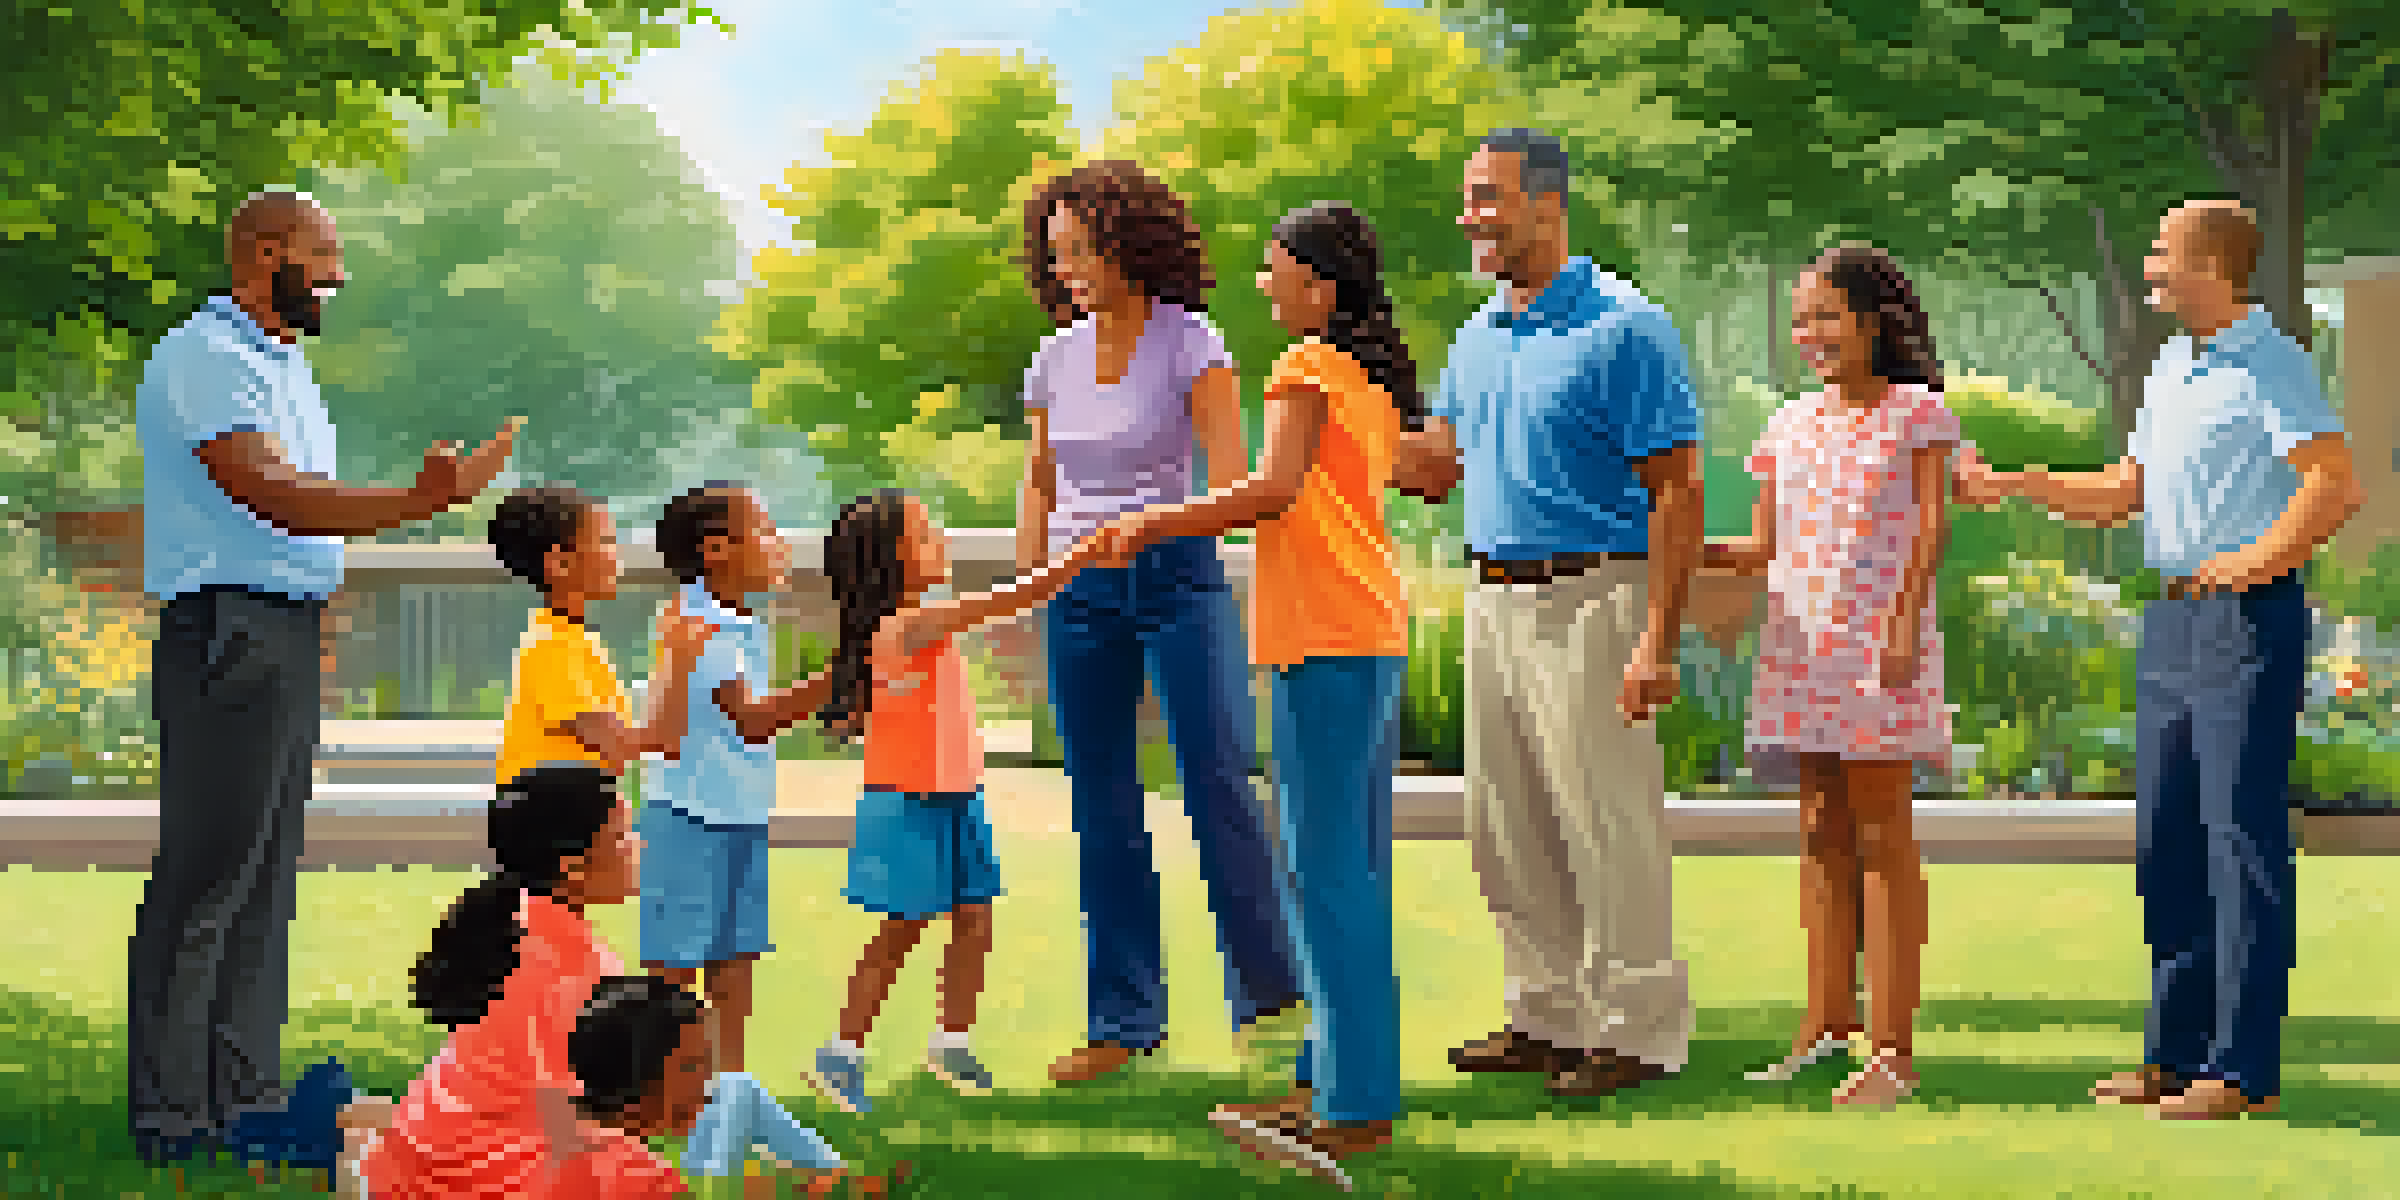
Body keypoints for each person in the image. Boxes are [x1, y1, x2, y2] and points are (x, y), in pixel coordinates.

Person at [128, 186, 521, 1167]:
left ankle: (246, 1102)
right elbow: (269, 490)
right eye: (322, 255)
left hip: (280, 629)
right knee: (208, 878)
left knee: (262, 880)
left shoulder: (280, 364)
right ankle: (175, 1118)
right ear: (266, 254)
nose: (338, 275)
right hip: (231, 629)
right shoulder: (208, 358)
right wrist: (420, 502)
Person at [1955, 199, 2366, 1120]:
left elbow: (2333, 482)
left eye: (2163, 251)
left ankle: (2240, 1069)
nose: (2149, 263)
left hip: (2245, 621)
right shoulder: (2174, 367)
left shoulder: (2271, 363)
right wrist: (2021, 483)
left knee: (2238, 839)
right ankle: (2175, 1056)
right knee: (2168, 840)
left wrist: (2256, 562)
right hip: (2175, 625)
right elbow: (2123, 493)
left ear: (2214, 265)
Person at [1093, 202, 1417, 1189]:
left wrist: (1154, 522)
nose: (1264, 285)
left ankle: (1354, 1108)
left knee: (1324, 873)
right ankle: (1333, 1078)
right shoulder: (1367, 377)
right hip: (1370, 632)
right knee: (1350, 869)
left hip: (1324, 638)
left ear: (1320, 285)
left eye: (1276, 271)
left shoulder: (1308, 367)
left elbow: (1269, 489)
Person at [1398, 128, 1705, 1098]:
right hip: (1495, 600)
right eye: (1467, 197)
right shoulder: (1479, 332)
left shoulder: (1625, 327)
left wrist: (1658, 636)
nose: (1469, 216)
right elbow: (1438, 468)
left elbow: (1680, 491)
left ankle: (1639, 1031)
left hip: (1595, 597)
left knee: (1607, 822)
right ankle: (1546, 1016)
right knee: (1506, 825)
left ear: (1547, 204)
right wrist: (1346, 422)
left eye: (1487, 197)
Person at [1016, 161, 1304, 1084]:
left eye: (1079, 251)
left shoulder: (1191, 343)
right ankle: (1123, 1022)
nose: (1066, 270)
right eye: (1055, 255)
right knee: (1101, 805)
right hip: (1079, 594)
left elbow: (1235, 482)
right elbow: (1040, 482)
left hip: (1177, 576)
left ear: (1126, 243)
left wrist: (1153, 528)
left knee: (1218, 782)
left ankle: (1273, 996)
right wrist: (1035, 589)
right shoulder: (1051, 361)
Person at [1707, 244, 1958, 1107]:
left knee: (1885, 835)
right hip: (1798, 645)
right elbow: (1761, 547)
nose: (1808, 332)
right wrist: (1679, 552)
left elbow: (1931, 530)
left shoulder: (1916, 415)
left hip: (1877, 645)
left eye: (1825, 315)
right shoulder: (1787, 426)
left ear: (1873, 321)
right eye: (1801, 317)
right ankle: (1825, 1025)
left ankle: (1893, 1051)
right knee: (1819, 828)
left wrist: (1901, 626)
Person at [805, 491, 1114, 1113]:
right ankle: (840, 1055)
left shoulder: (909, 625)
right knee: (902, 929)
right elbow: (1014, 599)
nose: (940, 540)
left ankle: (952, 1041)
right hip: (907, 803)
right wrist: (1083, 554)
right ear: (890, 559)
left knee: (975, 918)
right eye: (924, 535)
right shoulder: (911, 623)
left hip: (956, 797)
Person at [357, 764, 642, 1195]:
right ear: (572, 866)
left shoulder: (515, 927)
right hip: (464, 1170)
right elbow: (564, 1120)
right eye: (622, 836)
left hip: (423, 1147)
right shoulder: (564, 966)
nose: (638, 846)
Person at [638, 483, 795, 1082]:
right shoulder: (697, 622)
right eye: (764, 530)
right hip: (688, 813)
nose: (779, 543)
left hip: (739, 811)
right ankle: (651, 1084)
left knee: (735, 957)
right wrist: (834, 682)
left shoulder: (736, 619)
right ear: (715, 550)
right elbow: (752, 720)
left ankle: (727, 1088)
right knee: (674, 963)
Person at [529, 975, 889, 1200]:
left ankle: (837, 1174)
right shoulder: (642, 1180)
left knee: (736, 1089)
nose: (708, 1077)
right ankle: (839, 1178)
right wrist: (794, 1185)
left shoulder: (570, 1126)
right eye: (693, 1066)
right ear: (638, 1091)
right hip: (704, 1186)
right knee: (736, 1093)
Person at [487, 484, 716, 788]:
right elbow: (637, 744)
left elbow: (653, 741)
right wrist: (676, 658)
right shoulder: (552, 648)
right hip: (547, 822)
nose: (616, 554)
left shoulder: (574, 639)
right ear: (560, 564)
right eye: (605, 542)